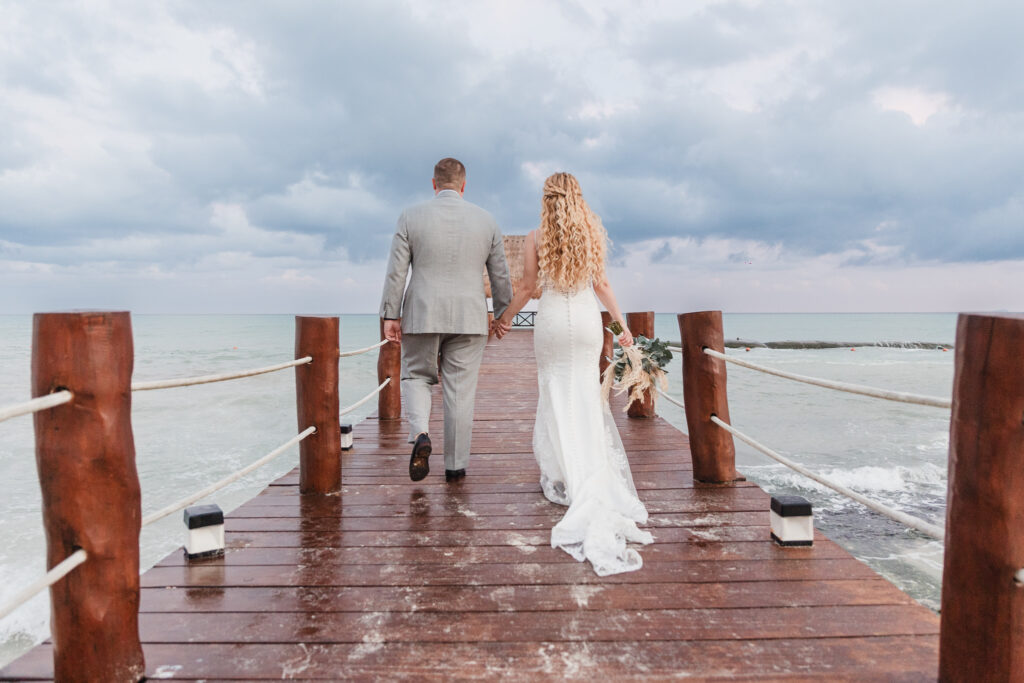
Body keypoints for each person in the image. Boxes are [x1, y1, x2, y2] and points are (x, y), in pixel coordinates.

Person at [494, 172, 653, 575]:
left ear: (546, 199)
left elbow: (529, 287)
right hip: (584, 321)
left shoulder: (535, 237)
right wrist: (623, 332)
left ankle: (567, 475)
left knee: (555, 394)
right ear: (577, 197)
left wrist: (506, 319)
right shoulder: (591, 231)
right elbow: (601, 285)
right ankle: (589, 473)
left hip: (550, 323)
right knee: (585, 395)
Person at [380, 158, 513, 483]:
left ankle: (421, 433)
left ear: (434, 183)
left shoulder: (410, 216)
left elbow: (397, 271)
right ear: (464, 185)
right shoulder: (486, 220)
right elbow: (500, 275)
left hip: (422, 312)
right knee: (460, 392)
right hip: (469, 316)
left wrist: (390, 314)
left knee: (416, 376)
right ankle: (455, 466)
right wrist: (502, 314)